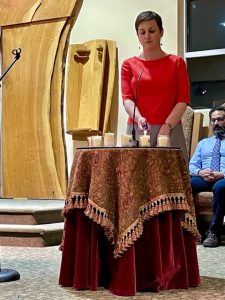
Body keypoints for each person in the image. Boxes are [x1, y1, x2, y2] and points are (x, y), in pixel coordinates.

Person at [121, 10, 190, 160]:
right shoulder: (128, 64)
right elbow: (127, 99)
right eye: (142, 32)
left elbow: (183, 100)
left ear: (161, 32)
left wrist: (167, 126)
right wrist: (139, 118)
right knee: (136, 179)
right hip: (139, 129)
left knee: (172, 179)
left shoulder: (176, 63)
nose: (147, 36)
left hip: (170, 128)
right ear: (137, 35)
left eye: (152, 30)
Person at [189, 106, 225, 247]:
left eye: (220, 119)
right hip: (204, 177)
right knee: (186, 184)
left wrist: (221, 174)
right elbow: (192, 165)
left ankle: (214, 232)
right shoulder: (203, 143)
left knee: (220, 187)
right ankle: (189, 228)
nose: (216, 123)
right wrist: (200, 172)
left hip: (222, 178)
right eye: (213, 120)